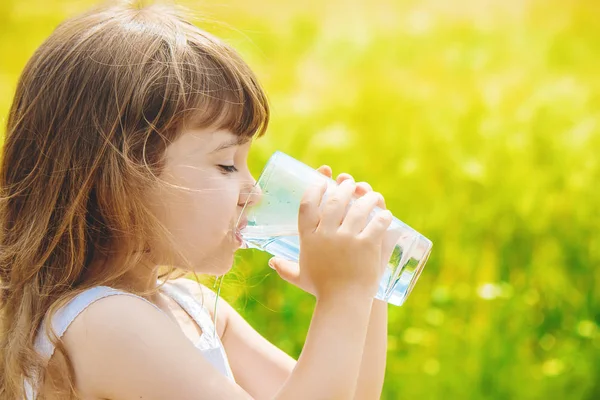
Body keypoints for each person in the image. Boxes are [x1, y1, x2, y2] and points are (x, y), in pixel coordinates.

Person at [0, 2, 394, 399]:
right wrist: (341, 297)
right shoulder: (106, 322)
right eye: (225, 164)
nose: (253, 193)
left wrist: (365, 287)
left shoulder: (192, 307)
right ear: (122, 179)